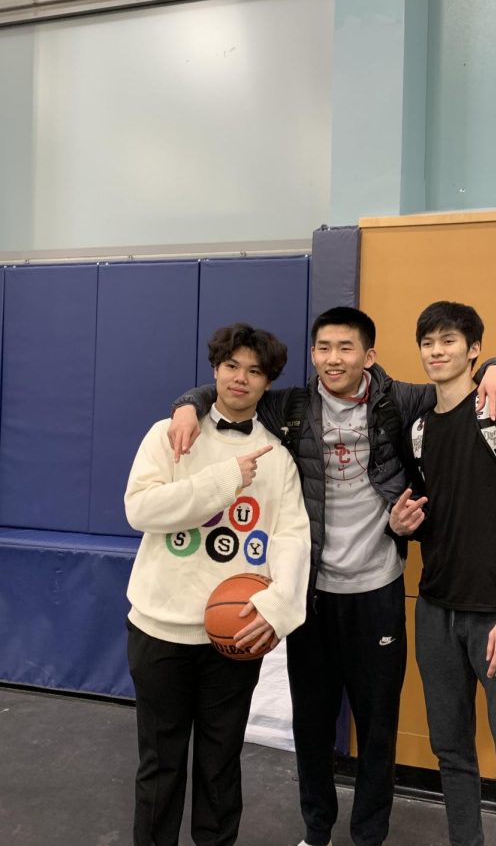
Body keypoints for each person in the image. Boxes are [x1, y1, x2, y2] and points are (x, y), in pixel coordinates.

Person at [167, 306, 496, 846]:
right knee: (312, 724)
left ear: (368, 356)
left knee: (378, 726)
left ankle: (369, 835)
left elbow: (459, 381)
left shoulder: (400, 400)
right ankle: (318, 830)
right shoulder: (291, 406)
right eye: (323, 348)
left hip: (377, 590)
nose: (333, 358)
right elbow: (230, 391)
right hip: (311, 593)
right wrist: (188, 405)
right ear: (313, 354)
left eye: (346, 348)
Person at [125, 323, 310, 846]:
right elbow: (141, 509)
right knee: (159, 768)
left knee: (221, 766)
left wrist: (280, 606)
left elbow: (293, 536)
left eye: (255, 371)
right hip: (159, 629)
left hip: (232, 637)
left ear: (268, 383)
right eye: (232, 366)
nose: (240, 378)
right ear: (214, 370)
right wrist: (223, 478)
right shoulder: (170, 434)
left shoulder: (279, 456)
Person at [390, 301, 496, 846]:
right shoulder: (417, 428)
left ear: (474, 350)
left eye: (449, 341)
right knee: (452, 754)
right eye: (428, 342)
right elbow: (439, 511)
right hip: (436, 610)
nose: (437, 351)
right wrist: (403, 524)